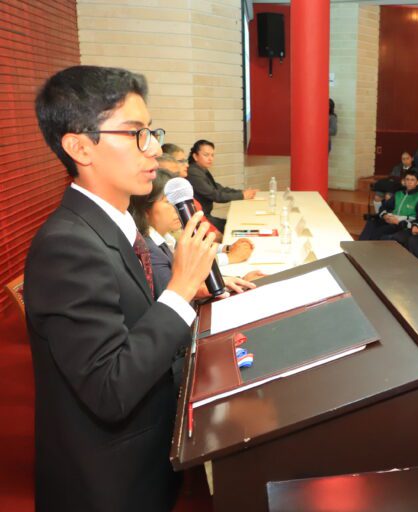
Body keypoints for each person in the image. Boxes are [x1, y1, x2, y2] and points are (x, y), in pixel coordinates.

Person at [26, 65, 220, 511]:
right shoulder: (67, 246)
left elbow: (134, 316)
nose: (153, 150)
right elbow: (109, 388)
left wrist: (190, 292)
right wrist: (181, 289)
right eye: (135, 133)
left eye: (151, 131)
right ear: (79, 146)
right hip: (108, 486)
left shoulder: (117, 222)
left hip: (150, 461)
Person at [129, 169, 257, 296]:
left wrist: (239, 280)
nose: (177, 208)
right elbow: (173, 298)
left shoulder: (166, 239)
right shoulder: (149, 250)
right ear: (145, 208)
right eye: (169, 202)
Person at [186, 139, 257, 232]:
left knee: (234, 224)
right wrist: (242, 196)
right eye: (206, 155)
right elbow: (215, 195)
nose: (210, 158)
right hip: (201, 219)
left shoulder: (201, 169)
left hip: (205, 216)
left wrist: (240, 192)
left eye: (212, 155)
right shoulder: (193, 172)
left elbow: (218, 188)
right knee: (234, 227)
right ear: (195, 156)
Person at [359, 169, 418, 241]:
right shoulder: (398, 194)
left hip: (401, 224)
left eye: (412, 180)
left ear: (417, 182)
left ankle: (367, 249)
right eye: (407, 179)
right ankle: (358, 247)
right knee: (371, 223)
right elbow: (384, 207)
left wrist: (398, 221)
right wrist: (385, 215)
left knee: (378, 232)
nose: (409, 182)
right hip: (390, 219)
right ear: (404, 181)